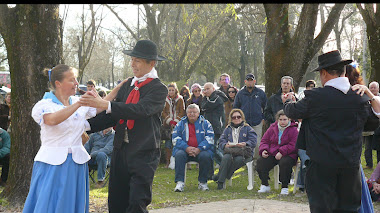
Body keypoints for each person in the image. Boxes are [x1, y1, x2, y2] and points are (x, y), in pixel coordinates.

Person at [283, 50, 380, 212]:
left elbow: (293, 112)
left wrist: (286, 102)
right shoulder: (359, 97)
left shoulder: (315, 97)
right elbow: (372, 123)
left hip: (322, 167)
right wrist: (369, 95)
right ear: (344, 71)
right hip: (350, 168)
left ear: (324, 73)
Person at [80, 40, 168, 213]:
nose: (132, 64)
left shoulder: (159, 89)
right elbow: (114, 115)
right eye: (132, 59)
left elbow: (140, 110)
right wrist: (83, 126)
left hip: (144, 152)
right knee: (116, 202)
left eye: (137, 60)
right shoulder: (128, 85)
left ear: (152, 63)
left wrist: (105, 104)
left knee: (137, 203)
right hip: (120, 150)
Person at [23, 64, 122, 213]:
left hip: (77, 163)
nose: (76, 83)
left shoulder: (77, 101)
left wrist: (119, 88)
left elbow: (99, 108)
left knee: (73, 205)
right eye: (72, 80)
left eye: (76, 79)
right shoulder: (44, 105)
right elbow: (52, 120)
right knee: (50, 204)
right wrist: (78, 105)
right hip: (52, 165)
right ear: (58, 83)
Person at [172, 104, 214, 192]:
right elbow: (175, 138)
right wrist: (186, 148)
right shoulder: (180, 124)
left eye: (194, 112)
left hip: (201, 150)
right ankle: (180, 183)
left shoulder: (206, 123)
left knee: (205, 156)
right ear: (186, 113)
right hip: (184, 150)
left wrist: (199, 148)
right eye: (190, 112)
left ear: (198, 113)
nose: (192, 114)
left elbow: (210, 138)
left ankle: (203, 182)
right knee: (179, 155)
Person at [256, 110, 298, 195]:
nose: (282, 122)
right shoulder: (272, 128)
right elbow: (264, 140)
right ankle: (265, 184)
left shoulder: (294, 130)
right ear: (277, 120)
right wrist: (264, 150)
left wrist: (282, 152)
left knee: (284, 163)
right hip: (273, 152)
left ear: (289, 119)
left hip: (289, 154)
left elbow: (294, 145)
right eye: (280, 119)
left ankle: (284, 187)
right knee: (260, 162)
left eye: (284, 119)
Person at [213, 109, 257, 190]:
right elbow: (221, 141)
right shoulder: (228, 129)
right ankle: (221, 183)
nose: (236, 119)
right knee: (226, 158)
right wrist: (225, 145)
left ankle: (220, 176)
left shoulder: (248, 128)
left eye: (238, 117)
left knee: (238, 159)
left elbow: (253, 141)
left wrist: (245, 144)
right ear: (231, 119)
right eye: (234, 117)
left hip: (244, 153)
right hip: (231, 151)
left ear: (242, 118)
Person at [233, 73, 267, 162]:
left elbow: (266, 107)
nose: (250, 82)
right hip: (244, 122)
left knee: (256, 142)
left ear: (254, 81)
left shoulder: (260, 93)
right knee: (245, 143)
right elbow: (236, 108)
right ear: (245, 82)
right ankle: (247, 160)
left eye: (251, 81)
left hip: (257, 121)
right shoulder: (240, 93)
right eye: (248, 81)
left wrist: (263, 118)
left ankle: (256, 161)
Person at [201, 82, 227, 165]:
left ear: (213, 89)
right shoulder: (207, 98)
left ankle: (226, 164)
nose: (206, 91)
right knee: (210, 148)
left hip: (217, 127)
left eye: (208, 89)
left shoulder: (217, 98)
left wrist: (205, 99)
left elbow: (207, 106)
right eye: (204, 89)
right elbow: (203, 107)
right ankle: (220, 166)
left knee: (214, 148)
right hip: (208, 127)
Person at [161, 82, 185, 168]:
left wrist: (176, 121)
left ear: (176, 90)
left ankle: (177, 161)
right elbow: (162, 111)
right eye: (169, 90)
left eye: (172, 90)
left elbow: (182, 111)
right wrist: (169, 120)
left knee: (177, 142)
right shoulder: (164, 99)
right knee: (168, 143)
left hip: (177, 125)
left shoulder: (180, 99)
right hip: (167, 125)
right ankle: (167, 162)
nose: (171, 92)